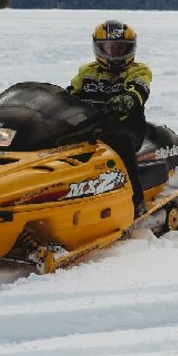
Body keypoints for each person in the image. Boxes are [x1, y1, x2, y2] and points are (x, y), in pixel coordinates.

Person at [68, 19, 153, 217]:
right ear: (99, 48)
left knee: (120, 144)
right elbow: (69, 93)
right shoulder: (87, 72)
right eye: (109, 49)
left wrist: (127, 99)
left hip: (126, 126)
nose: (115, 54)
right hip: (89, 125)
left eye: (121, 49)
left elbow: (139, 89)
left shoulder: (138, 70)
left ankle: (136, 200)